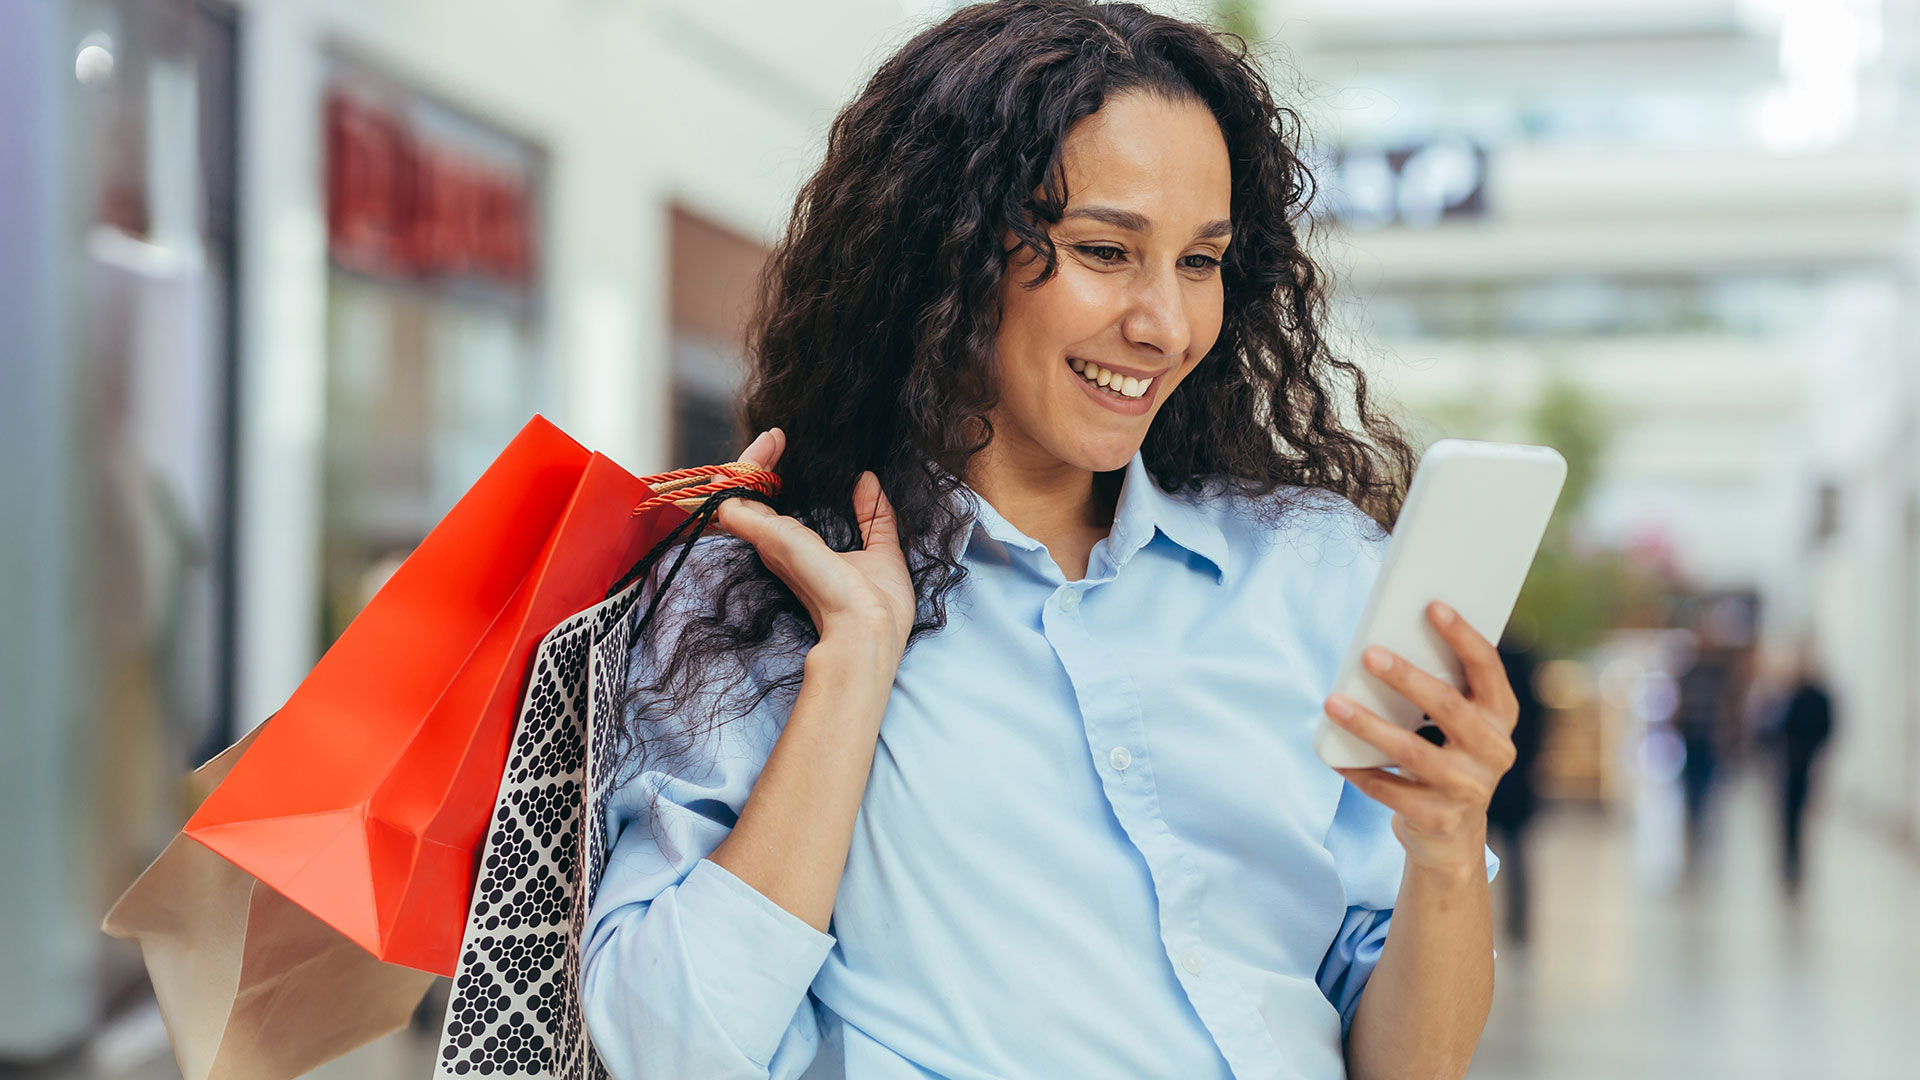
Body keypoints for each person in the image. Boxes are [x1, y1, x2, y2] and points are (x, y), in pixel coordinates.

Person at [579, 4, 1517, 1078]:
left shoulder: (1313, 570)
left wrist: (1445, 851)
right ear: (947, 251)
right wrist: (852, 675)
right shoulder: (767, 592)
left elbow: (1412, 1066)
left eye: (1202, 261)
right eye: (1105, 251)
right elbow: (668, 1050)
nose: (1165, 323)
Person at [1774, 649, 1835, 896]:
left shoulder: (1818, 697)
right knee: (1787, 815)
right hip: (1788, 762)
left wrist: (1812, 750)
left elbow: (1827, 727)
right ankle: (1789, 858)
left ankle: (1797, 859)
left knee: (1800, 813)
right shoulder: (1791, 694)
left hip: (1806, 762)